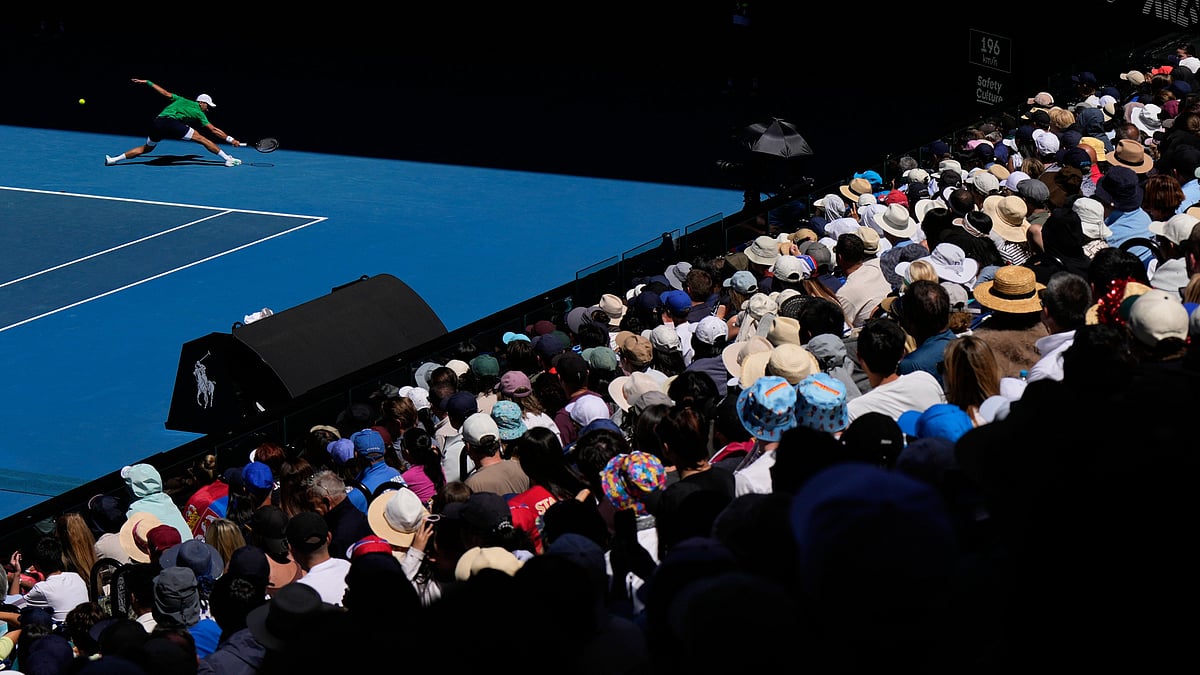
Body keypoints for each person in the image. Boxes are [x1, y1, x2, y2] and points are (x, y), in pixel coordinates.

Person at [106, 78, 244, 167]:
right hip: (170, 123)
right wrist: (231, 140)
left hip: (157, 123)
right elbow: (213, 130)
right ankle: (227, 159)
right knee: (202, 138)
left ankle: (114, 160)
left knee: (146, 148)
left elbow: (165, 93)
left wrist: (148, 82)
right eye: (207, 105)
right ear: (201, 102)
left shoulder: (180, 99)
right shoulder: (198, 111)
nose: (208, 108)